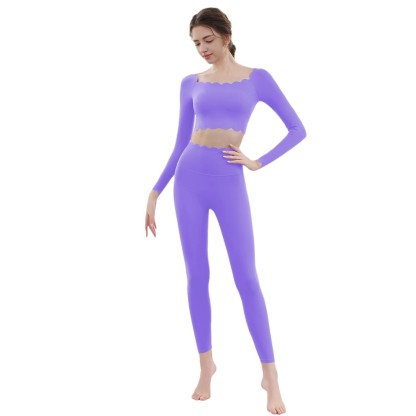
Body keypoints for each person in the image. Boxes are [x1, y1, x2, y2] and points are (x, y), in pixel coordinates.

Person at [145, 7, 306, 415]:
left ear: (226, 36)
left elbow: (297, 129)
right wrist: (155, 191)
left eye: (208, 40)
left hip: (229, 181)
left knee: (246, 278)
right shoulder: (190, 83)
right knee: (197, 276)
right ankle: (206, 366)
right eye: (196, 43)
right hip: (189, 181)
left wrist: (258, 162)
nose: (202, 49)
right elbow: (179, 144)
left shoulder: (257, 78)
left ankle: (270, 376)